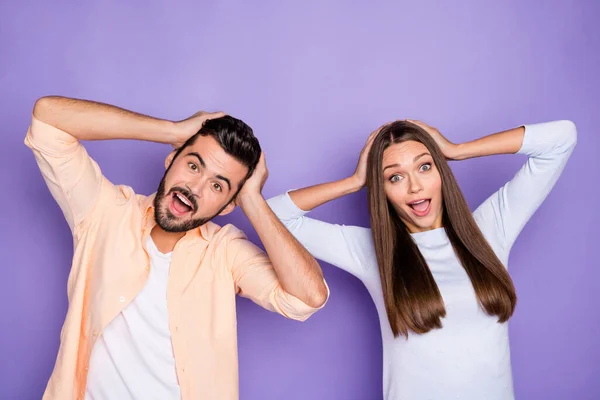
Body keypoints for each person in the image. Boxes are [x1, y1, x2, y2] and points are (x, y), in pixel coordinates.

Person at [25, 96, 329, 400]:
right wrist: (171, 131)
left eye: (217, 186)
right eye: (193, 165)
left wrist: (251, 198)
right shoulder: (105, 212)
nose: (194, 188)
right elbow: (48, 119)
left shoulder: (225, 251)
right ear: (171, 160)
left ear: (227, 207)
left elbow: (308, 297)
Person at [267, 118, 577, 399]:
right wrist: (356, 181)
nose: (415, 186)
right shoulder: (373, 250)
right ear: (382, 189)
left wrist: (457, 150)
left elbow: (562, 138)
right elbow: (272, 216)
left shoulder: (490, 228)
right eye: (395, 177)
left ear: (441, 170)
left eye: (425, 167)